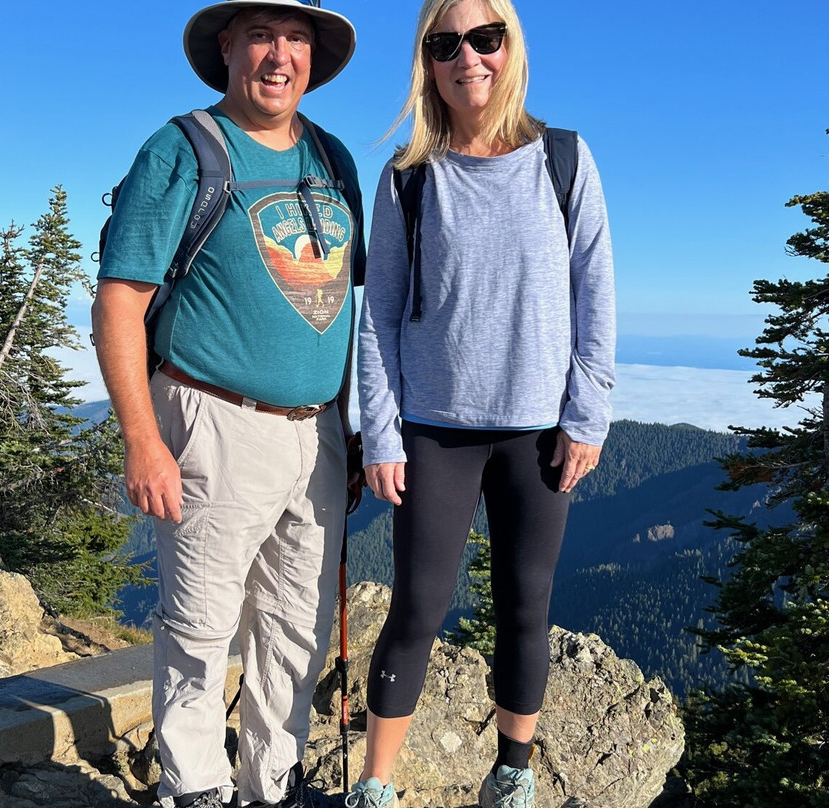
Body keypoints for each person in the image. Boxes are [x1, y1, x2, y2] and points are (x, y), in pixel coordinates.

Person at [91, 2, 364, 807]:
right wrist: (143, 439)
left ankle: (270, 783)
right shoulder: (182, 150)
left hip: (318, 434)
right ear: (227, 49)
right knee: (201, 621)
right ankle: (198, 785)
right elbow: (118, 303)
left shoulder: (332, 156)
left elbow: (350, 306)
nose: (280, 56)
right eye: (261, 37)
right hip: (213, 419)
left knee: (296, 628)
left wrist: (350, 431)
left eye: (297, 39)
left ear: (314, 57)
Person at [351, 0, 615, 806]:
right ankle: (374, 785)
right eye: (445, 43)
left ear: (512, 46)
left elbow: (594, 289)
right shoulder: (409, 175)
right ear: (427, 63)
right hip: (434, 428)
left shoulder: (563, 158)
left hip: (539, 429)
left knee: (525, 606)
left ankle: (512, 776)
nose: (469, 57)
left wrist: (588, 413)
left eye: (486, 37)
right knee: (418, 609)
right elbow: (381, 312)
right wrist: (380, 435)